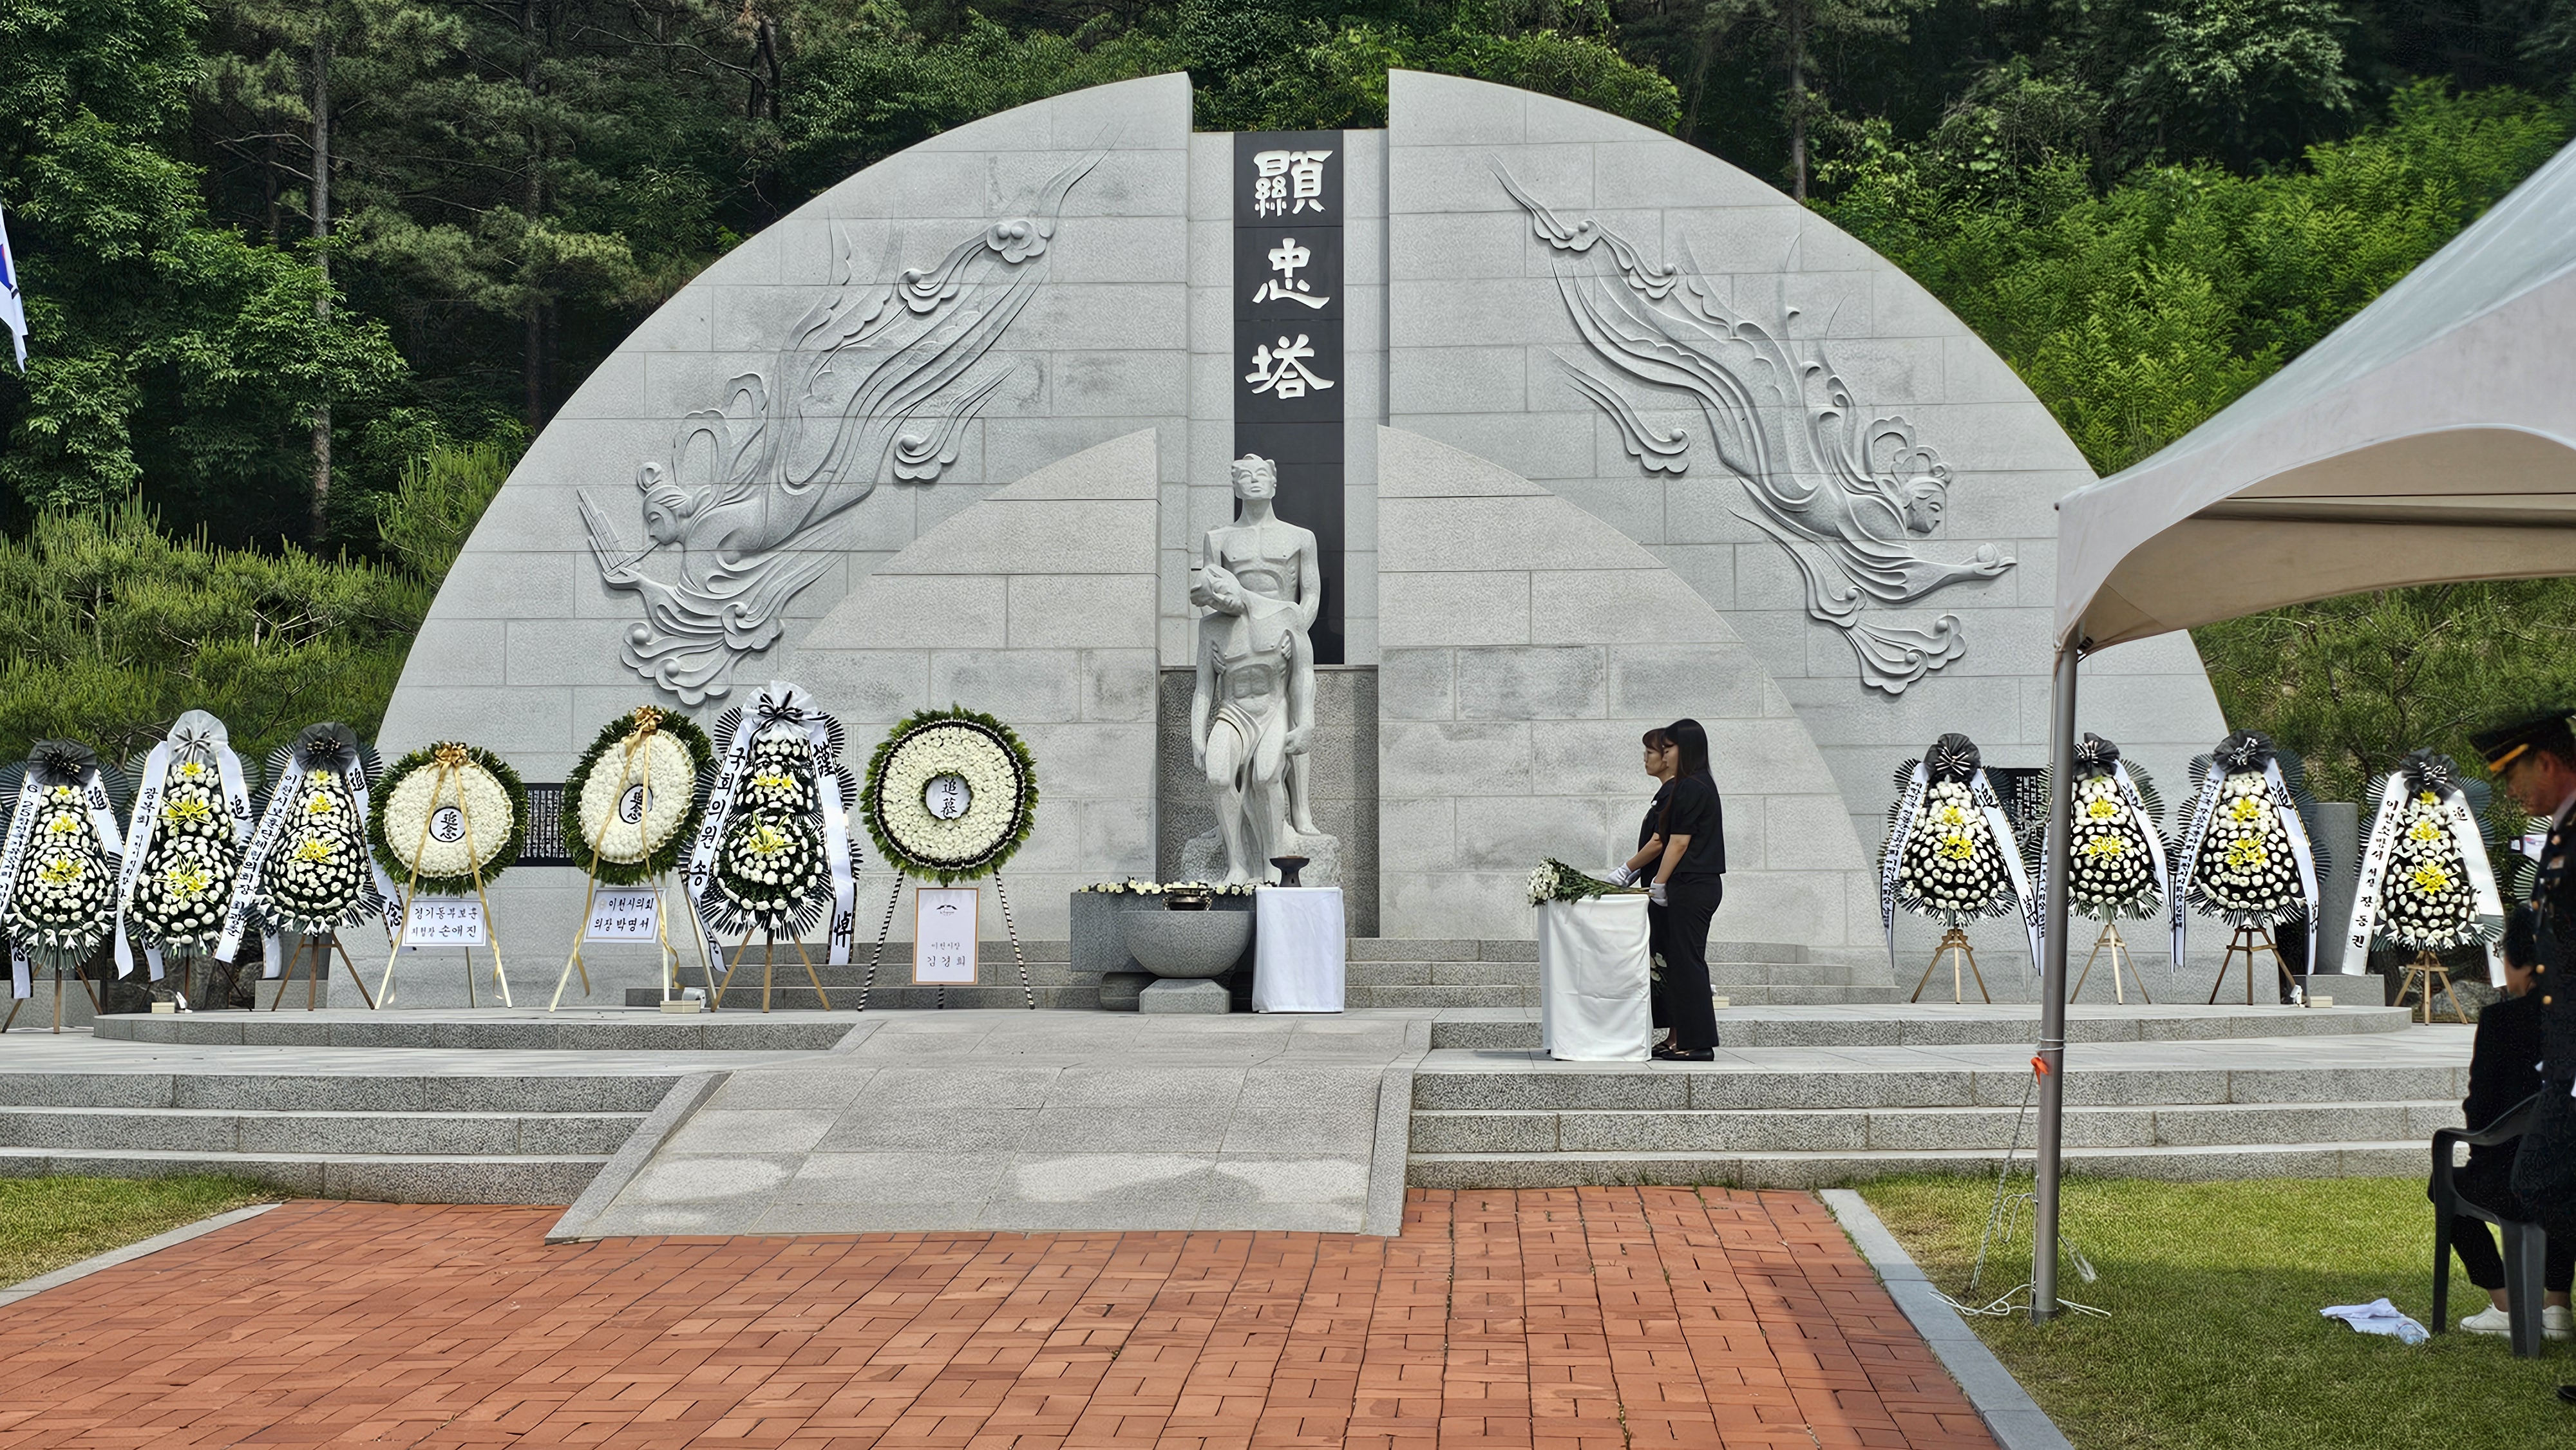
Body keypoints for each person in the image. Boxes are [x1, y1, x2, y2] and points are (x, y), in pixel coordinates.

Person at [2469, 709, 2576, 1400]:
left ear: (2547, 761)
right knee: (2541, 1182)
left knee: (2540, 1179)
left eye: (2513, 773)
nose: (2510, 790)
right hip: (2562, 1050)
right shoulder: (2562, 831)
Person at [2438, 906, 2573, 1337]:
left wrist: (2486, 1156)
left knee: (2445, 1183)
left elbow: (2481, 1109)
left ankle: (2506, 1304)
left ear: (2523, 961)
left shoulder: (2501, 1022)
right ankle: (2557, 1306)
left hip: (2513, 1177)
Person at [1646, 718, 1725, 1062]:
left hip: (1693, 884)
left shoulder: (1693, 786)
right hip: (1691, 884)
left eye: (1669, 748)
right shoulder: (1693, 784)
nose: (1665, 755)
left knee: (1689, 963)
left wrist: (1659, 882)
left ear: (1686, 748)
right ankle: (1678, 1037)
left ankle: (1698, 1042)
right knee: (1679, 963)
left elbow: (1677, 843)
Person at [1611, 729, 1676, 1041]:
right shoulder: (1663, 794)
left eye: (1650, 753)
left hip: (1667, 893)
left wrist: (1627, 869)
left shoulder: (1673, 793)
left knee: (1669, 959)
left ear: (1667, 756)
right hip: (1654, 888)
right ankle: (1674, 1035)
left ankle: (1678, 1035)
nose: (1645, 759)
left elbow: (1659, 842)